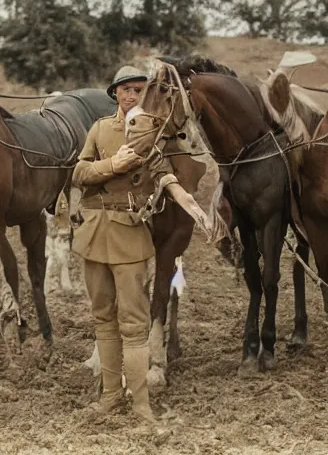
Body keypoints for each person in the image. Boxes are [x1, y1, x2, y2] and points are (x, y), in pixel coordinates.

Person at [72, 65, 208, 422]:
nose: (131, 96)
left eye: (137, 89)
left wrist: (186, 200)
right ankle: (110, 396)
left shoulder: (151, 135)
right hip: (93, 233)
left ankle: (141, 403)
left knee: (134, 323)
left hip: (129, 234)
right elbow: (79, 173)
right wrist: (112, 164)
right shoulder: (100, 129)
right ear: (115, 93)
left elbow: (163, 174)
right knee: (103, 318)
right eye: (125, 89)